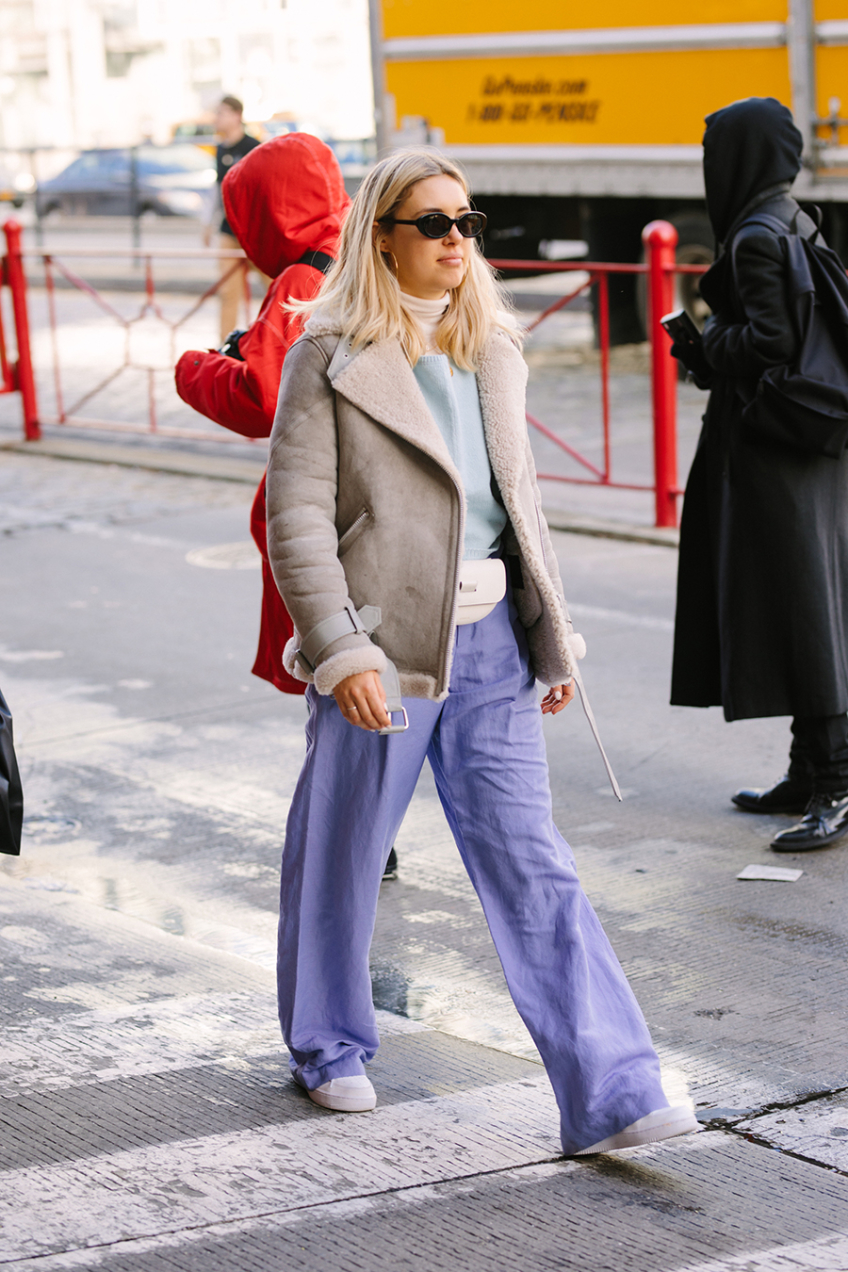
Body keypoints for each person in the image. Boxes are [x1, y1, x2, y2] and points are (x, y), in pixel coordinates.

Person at [264, 148, 698, 1155]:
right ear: (382, 237)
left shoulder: (490, 349)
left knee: (533, 865)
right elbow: (295, 522)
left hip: (493, 647)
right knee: (342, 853)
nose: (457, 239)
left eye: (467, 221)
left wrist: (553, 637)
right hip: (387, 650)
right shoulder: (325, 357)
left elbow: (518, 509)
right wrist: (340, 650)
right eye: (434, 223)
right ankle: (326, 1044)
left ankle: (612, 1093)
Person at [670, 97, 848, 852]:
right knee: (808, 605)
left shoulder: (752, 235)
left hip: (774, 451)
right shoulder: (790, 215)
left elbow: (772, 340)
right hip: (808, 448)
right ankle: (809, 771)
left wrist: (708, 345)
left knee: (803, 611)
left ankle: (835, 785)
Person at [202, 95, 270, 343]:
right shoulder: (220, 149)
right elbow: (218, 188)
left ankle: (280, 340)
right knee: (228, 292)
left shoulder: (255, 146)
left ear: (236, 115)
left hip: (254, 231)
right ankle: (225, 346)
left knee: (274, 288)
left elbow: (265, 188)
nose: (216, 118)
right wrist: (208, 223)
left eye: (221, 113)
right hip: (228, 230)